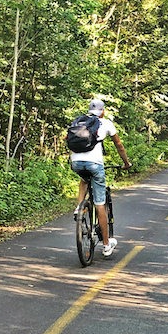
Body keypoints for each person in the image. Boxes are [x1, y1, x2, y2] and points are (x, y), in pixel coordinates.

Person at [70, 98, 132, 257]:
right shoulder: (106, 123)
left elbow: (67, 139)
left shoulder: (78, 121)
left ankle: (79, 208)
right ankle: (106, 245)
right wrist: (126, 163)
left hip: (76, 163)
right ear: (102, 111)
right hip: (95, 165)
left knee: (84, 179)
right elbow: (119, 145)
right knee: (100, 204)